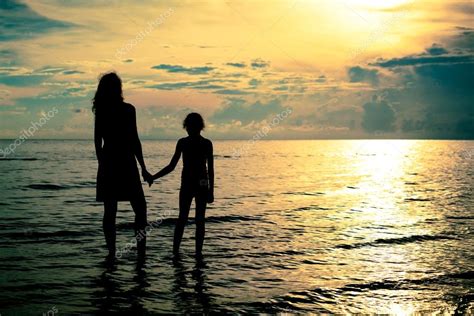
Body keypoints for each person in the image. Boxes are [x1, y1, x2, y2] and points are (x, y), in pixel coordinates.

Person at [93, 72, 151, 259]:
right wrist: (142, 166)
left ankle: (113, 253)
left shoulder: (105, 111)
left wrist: (102, 162)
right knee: (139, 208)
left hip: (113, 161)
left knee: (112, 210)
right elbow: (134, 140)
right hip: (124, 161)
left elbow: (97, 142)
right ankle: (139, 253)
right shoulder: (126, 110)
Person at [148, 113, 214, 257]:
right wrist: (154, 176)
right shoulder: (199, 143)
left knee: (188, 219)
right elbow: (172, 166)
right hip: (196, 183)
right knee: (195, 219)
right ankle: (192, 253)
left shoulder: (194, 143)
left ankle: (183, 252)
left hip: (193, 183)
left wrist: (211, 191)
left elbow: (210, 169)